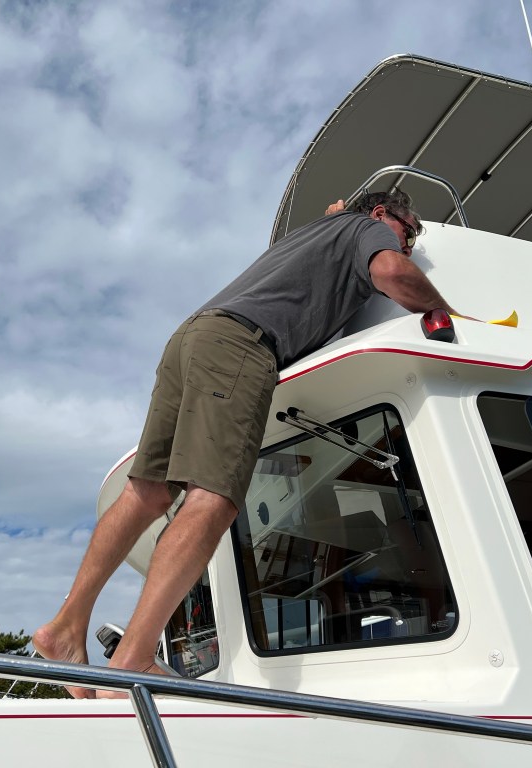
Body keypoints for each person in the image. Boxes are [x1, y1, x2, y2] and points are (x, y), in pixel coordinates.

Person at [33, 190, 461, 698]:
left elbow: (336, 232)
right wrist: (450, 313)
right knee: (213, 498)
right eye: (408, 232)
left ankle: (64, 628)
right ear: (380, 213)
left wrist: (338, 216)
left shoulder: (321, 230)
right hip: (243, 345)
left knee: (146, 492)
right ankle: (134, 658)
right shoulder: (364, 229)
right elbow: (391, 271)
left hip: (194, 335)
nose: (408, 245)